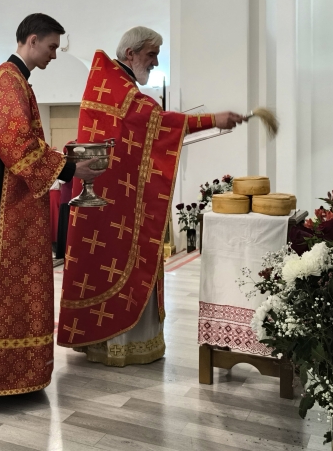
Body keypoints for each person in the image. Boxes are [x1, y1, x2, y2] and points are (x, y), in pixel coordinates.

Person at [0, 13, 105, 397]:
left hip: (12, 210)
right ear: (32, 40)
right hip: (0, 217)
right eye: (51, 47)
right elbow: (12, 141)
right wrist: (69, 168)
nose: (54, 55)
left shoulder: (16, 82)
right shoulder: (5, 82)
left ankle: (12, 375)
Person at [58, 27, 244, 367]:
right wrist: (212, 119)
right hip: (112, 207)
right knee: (113, 265)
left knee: (111, 265)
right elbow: (158, 122)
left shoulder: (115, 87)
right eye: (151, 55)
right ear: (130, 54)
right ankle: (118, 345)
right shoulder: (118, 91)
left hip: (117, 203)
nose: (156, 63)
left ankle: (106, 342)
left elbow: (150, 126)